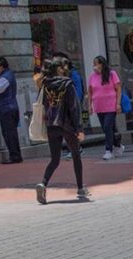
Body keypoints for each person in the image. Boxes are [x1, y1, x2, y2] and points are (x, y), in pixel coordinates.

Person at [35, 56, 87, 205]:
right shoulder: (67, 84)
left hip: (51, 125)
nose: (66, 69)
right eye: (63, 67)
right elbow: (74, 107)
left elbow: (44, 104)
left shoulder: (45, 84)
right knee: (76, 154)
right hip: (67, 125)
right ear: (59, 69)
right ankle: (80, 188)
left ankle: (43, 183)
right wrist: (79, 128)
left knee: (55, 159)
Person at [87, 55, 123, 160]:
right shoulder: (92, 77)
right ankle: (118, 145)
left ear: (102, 64)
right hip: (99, 106)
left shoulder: (112, 74)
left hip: (111, 105)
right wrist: (89, 105)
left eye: (96, 64)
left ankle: (108, 150)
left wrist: (118, 103)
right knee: (107, 128)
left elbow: (118, 89)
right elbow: (90, 92)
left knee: (107, 126)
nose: (94, 67)